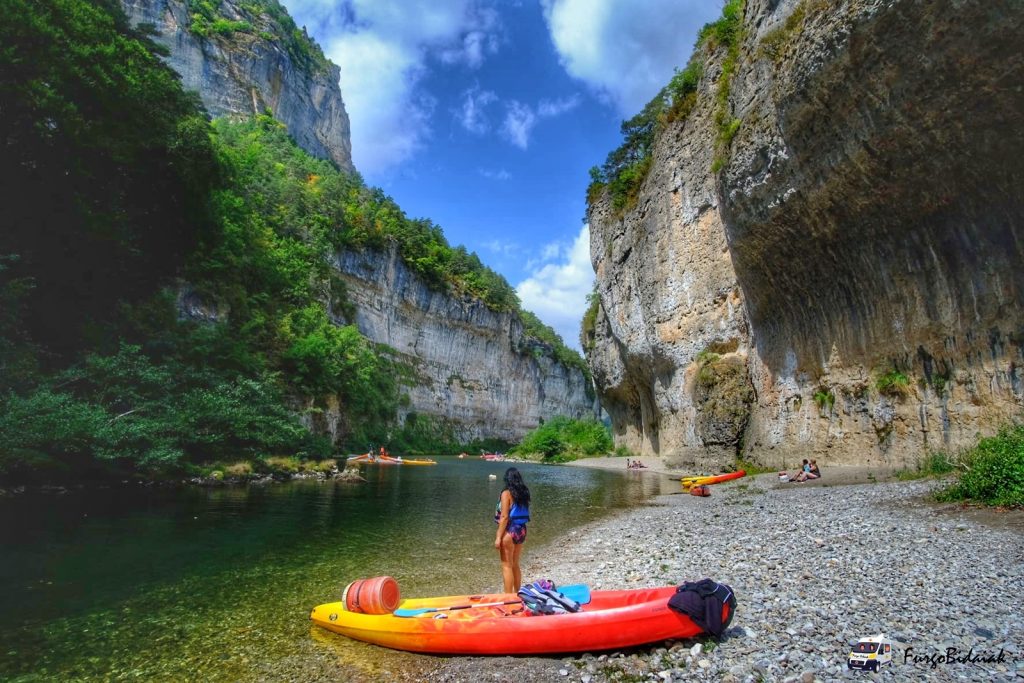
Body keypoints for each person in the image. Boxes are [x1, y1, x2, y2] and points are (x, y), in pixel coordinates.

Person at [494, 467, 531, 594]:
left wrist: (498, 537)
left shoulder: (506, 493)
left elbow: (504, 517)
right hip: (521, 530)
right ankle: (518, 594)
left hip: (510, 531)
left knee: (506, 566)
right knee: (515, 564)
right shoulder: (523, 492)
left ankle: (508, 598)